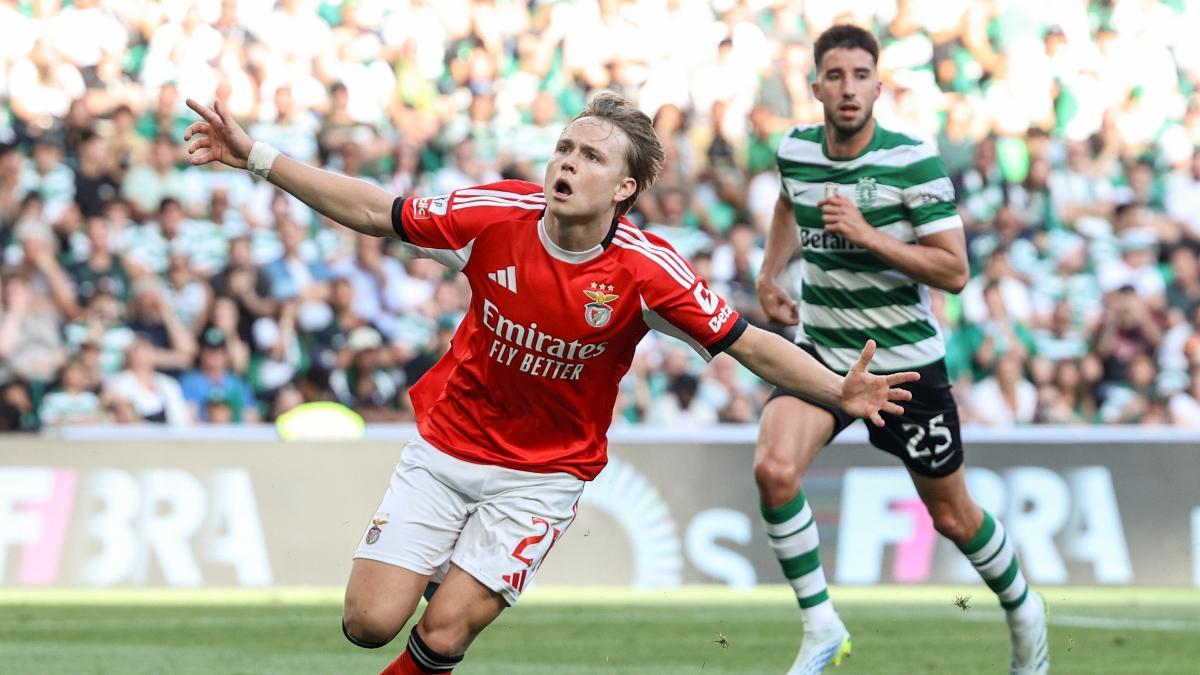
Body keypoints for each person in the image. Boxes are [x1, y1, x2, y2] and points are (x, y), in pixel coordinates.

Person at [183, 91, 918, 675]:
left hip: (542, 475)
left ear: (623, 186)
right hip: (447, 449)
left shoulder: (646, 271)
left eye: (590, 154)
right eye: (564, 146)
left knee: (442, 630)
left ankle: (453, 598)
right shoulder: (495, 215)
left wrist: (837, 389)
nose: (567, 161)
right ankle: (443, 577)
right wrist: (257, 158)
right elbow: (377, 210)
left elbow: (747, 343)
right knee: (367, 624)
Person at [752, 25, 1048, 675]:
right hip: (824, 355)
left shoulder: (913, 161)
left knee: (952, 515)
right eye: (835, 75)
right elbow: (786, 202)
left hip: (905, 366)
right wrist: (772, 272)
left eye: (861, 75)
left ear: (879, 86)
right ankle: (822, 625)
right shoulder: (796, 149)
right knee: (774, 470)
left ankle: (1024, 607)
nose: (848, 87)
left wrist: (866, 234)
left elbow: (954, 270)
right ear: (815, 87)